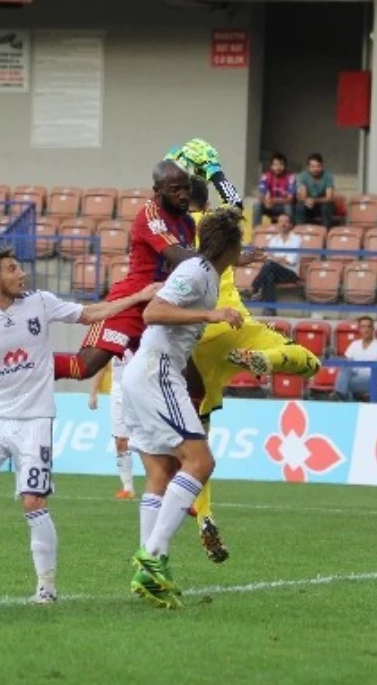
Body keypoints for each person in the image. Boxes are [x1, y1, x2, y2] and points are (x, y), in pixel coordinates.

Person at [0, 247, 161, 604]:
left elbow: (90, 313)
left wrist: (139, 297)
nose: (21, 273)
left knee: (33, 502)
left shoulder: (40, 302)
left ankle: (46, 588)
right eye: (12, 268)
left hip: (34, 420)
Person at [185, 174, 321, 565]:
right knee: (309, 362)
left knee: (199, 436)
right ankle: (271, 361)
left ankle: (205, 516)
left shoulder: (179, 233)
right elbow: (235, 200)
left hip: (196, 340)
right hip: (235, 325)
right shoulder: (217, 224)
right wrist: (215, 170)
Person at [123, 207, 245, 609]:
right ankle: (153, 555)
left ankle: (149, 573)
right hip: (156, 372)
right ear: (227, 245)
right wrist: (211, 314)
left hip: (146, 372)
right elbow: (152, 311)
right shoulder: (195, 273)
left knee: (161, 471)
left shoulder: (208, 271)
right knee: (200, 462)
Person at [51, 159, 198, 382]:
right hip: (132, 303)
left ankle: (187, 418)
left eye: (186, 187)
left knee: (189, 381)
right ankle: (19, 367)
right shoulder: (150, 215)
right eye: (175, 189)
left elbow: (189, 267)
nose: (183, 195)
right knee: (82, 367)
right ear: (158, 191)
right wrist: (225, 257)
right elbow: (178, 257)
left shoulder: (187, 223)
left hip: (161, 307)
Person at [88, 350, 136, 500]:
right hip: (118, 392)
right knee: (120, 440)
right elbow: (101, 364)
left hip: (141, 390)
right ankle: (128, 488)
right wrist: (93, 393)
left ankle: (165, 485)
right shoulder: (114, 338)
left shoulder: (143, 336)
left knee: (152, 441)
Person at [249, 213, 303, 315]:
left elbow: (291, 260)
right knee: (269, 276)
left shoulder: (297, 239)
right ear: (277, 224)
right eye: (281, 221)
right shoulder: (274, 240)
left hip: (290, 273)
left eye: (286, 222)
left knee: (269, 265)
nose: (283, 224)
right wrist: (280, 258)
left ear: (291, 225)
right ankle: (270, 310)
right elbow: (267, 257)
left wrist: (274, 258)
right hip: (274, 270)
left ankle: (254, 288)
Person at [334, 317, 377, 402]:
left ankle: (340, 396)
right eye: (363, 327)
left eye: (369, 327)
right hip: (356, 377)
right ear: (359, 329)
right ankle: (340, 395)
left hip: (373, 380)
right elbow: (346, 364)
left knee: (346, 382)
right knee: (345, 367)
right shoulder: (354, 344)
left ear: (373, 329)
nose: (366, 330)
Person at [253, 152, 296, 227]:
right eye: (275, 165)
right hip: (269, 206)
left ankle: (289, 231)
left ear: (285, 166)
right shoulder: (266, 176)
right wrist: (265, 201)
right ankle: (256, 231)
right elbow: (261, 194)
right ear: (271, 166)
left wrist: (274, 200)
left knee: (288, 206)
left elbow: (290, 199)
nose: (278, 167)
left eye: (281, 165)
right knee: (257, 205)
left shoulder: (290, 177)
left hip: (282, 206)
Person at [296, 153, 336, 228]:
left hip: (323, 205)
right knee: (300, 206)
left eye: (318, 166)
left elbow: (329, 198)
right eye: (313, 166)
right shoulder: (303, 176)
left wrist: (313, 200)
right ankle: (300, 232)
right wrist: (307, 200)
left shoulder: (328, 176)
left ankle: (326, 232)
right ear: (308, 167)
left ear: (322, 166)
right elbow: (303, 196)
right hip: (309, 205)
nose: (316, 169)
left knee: (327, 207)